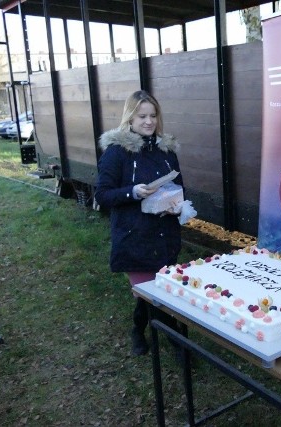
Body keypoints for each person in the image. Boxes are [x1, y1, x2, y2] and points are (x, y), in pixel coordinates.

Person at [95, 90, 184, 356]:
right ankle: (178, 343)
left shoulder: (166, 150)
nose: (148, 121)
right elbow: (102, 194)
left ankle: (138, 330)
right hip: (134, 237)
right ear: (130, 118)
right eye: (142, 116)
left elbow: (180, 188)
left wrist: (177, 206)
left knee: (155, 291)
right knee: (153, 295)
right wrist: (132, 192)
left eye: (153, 116)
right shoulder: (116, 152)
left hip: (164, 235)